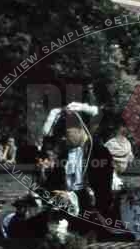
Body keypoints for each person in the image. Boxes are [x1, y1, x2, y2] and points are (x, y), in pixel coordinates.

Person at [38, 102, 113, 237]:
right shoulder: (64, 155)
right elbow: (52, 184)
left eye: (67, 134)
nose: (63, 139)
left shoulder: (100, 153)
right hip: (64, 212)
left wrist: (72, 197)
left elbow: (103, 192)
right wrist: (41, 191)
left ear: (80, 129)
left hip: (91, 216)